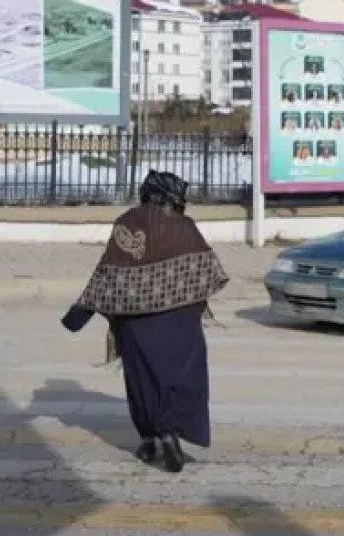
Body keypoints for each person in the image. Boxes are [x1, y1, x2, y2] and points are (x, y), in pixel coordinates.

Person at [61, 170, 229, 473]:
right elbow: (209, 271)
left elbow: (108, 271)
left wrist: (80, 313)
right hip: (181, 320)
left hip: (137, 321)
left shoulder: (128, 222)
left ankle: (156, 437)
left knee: (143, 381)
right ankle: (169, 435)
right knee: (181, 377)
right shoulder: (185, 227)